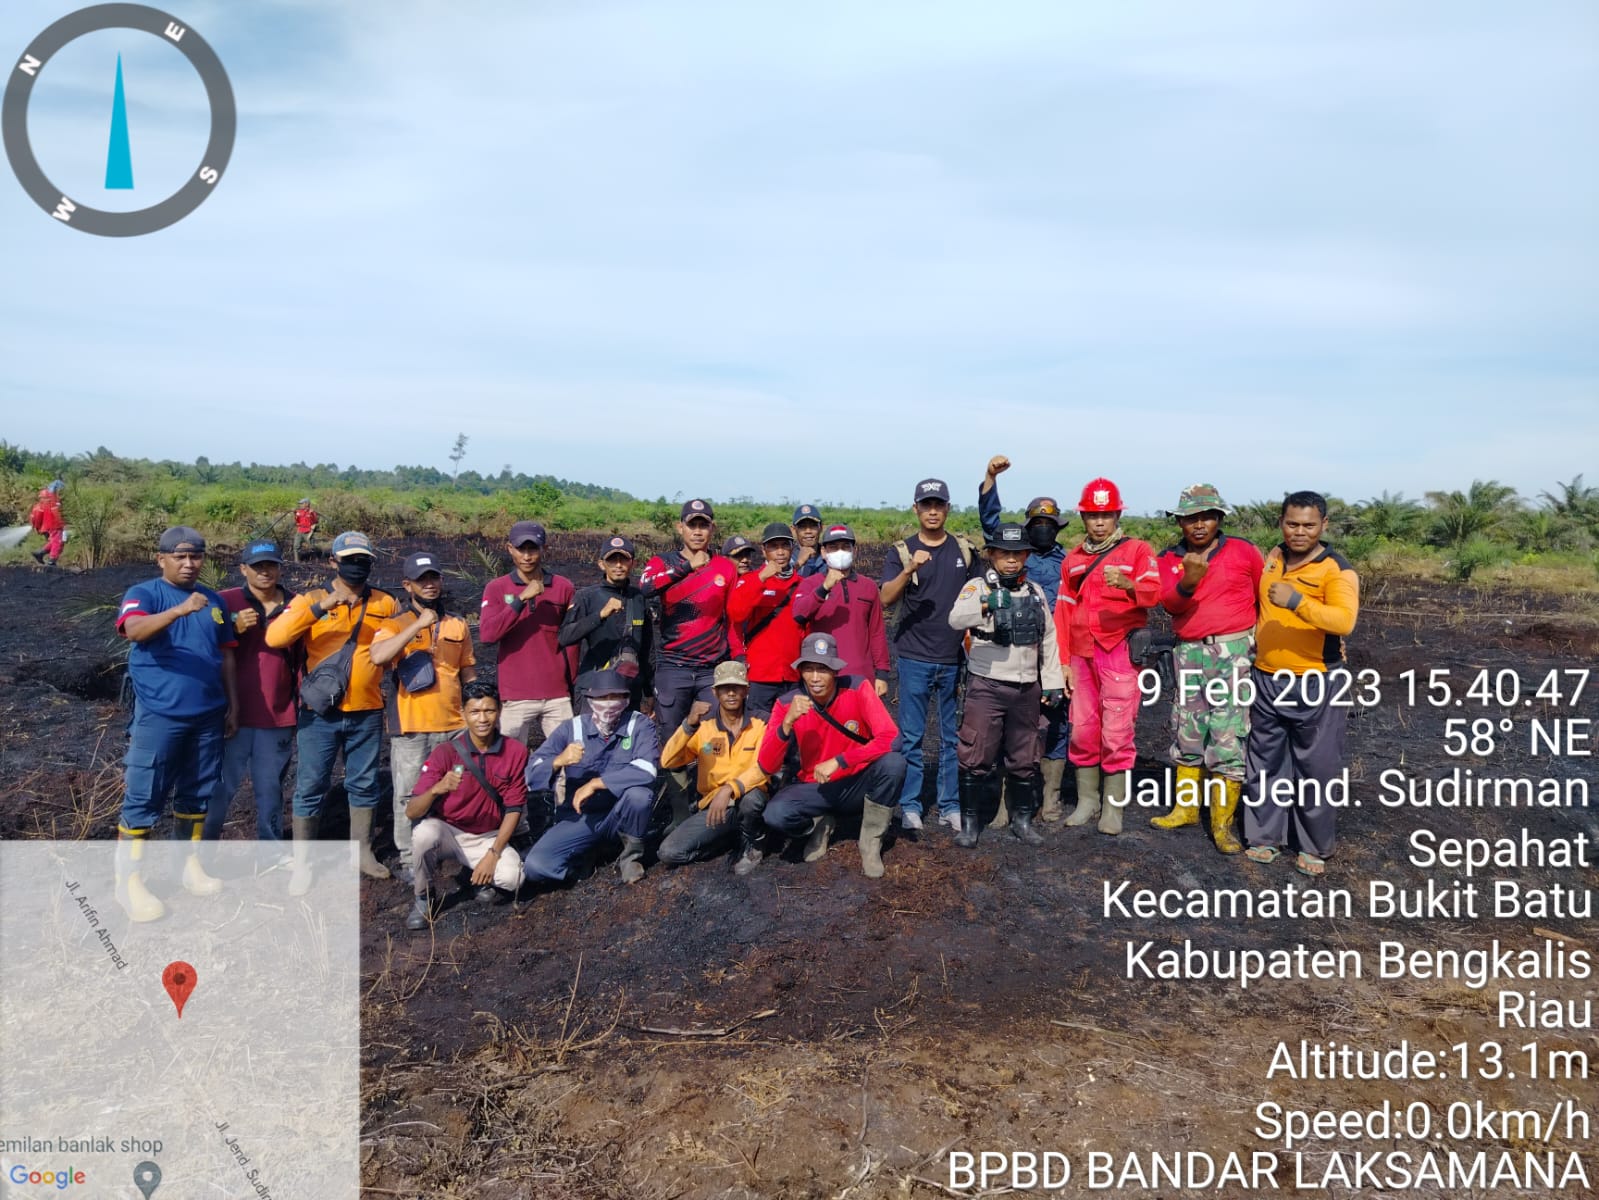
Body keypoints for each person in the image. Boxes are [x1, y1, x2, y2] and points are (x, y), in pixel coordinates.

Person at [113, 526, 236, 921]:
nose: (188, 564)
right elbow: (134, 630)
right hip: (159, 715)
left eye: (195, 556)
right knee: (144, 794)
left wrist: (233, 705)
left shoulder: (214, 601)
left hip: (207, 715)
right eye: (180, 556)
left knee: (197, 792)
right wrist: (179, 610)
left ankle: (187, 866)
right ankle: (128, 882)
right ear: (161, 558)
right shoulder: (144, 594)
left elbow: (227, 655)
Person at [266, 530, 400, 892]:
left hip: (367, 710)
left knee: (364, 783)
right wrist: (321, 608)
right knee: (310, 785)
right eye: (349, 559)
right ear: (333, 562)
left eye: (363, 560)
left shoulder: (386, 603)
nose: (357, 566)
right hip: (319, 713)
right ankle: (303, 865)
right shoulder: (310, 599)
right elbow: (275, 638)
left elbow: (391, 650)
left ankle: (362, 853)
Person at [1244, 492, 1360, 878]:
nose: (1299, 532)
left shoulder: (1336, 570)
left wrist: (1298, 601)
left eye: (1309, 525)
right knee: (1265, 761)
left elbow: (1344, 622)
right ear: (1281, 522)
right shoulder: (1273, 558)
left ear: (1323, 525)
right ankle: (1263, 836)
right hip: (1266, 677)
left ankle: (1312, 845)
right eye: (1292, 523)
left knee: (1317, 766)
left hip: (1318, 680)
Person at [1151, 485, 1263, 855]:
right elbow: (1169, 605)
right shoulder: (1170, 557)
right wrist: (1189, 580)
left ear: (1219, 519)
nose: (1199, 525)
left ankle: (1222, 825)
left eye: (1207, 517)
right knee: (1187, 729)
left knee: (1228, 733)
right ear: (1180, 521)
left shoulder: (1243, 551)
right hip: (1188, 652)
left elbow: (1265, 597)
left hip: (1232, 650)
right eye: (1190, 518)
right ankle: (1184, 809)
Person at [947, 523, 1066, 848]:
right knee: (975, 753)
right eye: (1004, 554)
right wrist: (986, 605)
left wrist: (1053, 682)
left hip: (1027, 688)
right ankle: (970, 826)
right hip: (987, 685)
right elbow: (955, 619)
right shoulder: (977, 586)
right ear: (992, 556)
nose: (1011, 561)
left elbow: (1050, 639)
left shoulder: (1036, 592)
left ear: (1025, 555)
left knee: (1024, 755)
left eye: (1017, 555)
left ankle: (1022, 821)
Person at [1053, 478, 1161, 835]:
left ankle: (1112, 808)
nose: (1099, 522)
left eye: (1106, 515)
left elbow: (1155, 593)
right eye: (1093, 515)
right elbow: (1064, 611)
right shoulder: (1073, 559)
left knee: (1116, 731)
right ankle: (1088, 800)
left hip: (1118, 652)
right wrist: (1064, 661)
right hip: (1082, 654)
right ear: (1083, 517)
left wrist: (1130, 585)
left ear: (1117, 515)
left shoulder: (1138, 551)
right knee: (1082, 729)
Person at [757, 633, 906, 878]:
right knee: (776, 814)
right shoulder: (786, 703)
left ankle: (870, 842)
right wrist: (786, 724)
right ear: (801, 671)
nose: (815, 678)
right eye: (809, 669)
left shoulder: (857, 688)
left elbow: (891, 738)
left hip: (857, 782)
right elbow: (766, 765)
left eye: (823, 670)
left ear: (835, 671)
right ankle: (819, 823)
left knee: (894, 763)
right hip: (817, 787)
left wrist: (840, 761)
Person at [879, 478, 979, 832]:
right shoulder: (901, 552)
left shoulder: (965, 552)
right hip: (913, 657)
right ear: (916, 508)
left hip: (954, 659)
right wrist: (909, 571)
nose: (933, 511)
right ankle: (910, 806)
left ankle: (949, 804)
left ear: (948, 508)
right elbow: (885, 599)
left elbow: (980, 595)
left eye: (939, 504)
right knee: (912, 737)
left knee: (952, 737)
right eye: (927, 504)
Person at [370, 551, 477, 883]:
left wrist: (476, 711)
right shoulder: (394, 624)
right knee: (409, 793)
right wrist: (417, 624)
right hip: (413, 725)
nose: (429, 584)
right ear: (407, 585)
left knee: (462, 787)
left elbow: (467, 671)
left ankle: (459, 849)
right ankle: (407, 857)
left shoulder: (457, 623)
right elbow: (378, 656)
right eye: (421, 580)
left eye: (434, 578)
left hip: (455, 725)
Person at [978, 454, 1071, 822]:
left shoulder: (1069, 562)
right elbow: (990, 524)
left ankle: (1049, 798)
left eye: (1050, 523)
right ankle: (1005, 801)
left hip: (1051, 654)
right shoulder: (1016, 556)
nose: (1044, 528)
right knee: (1008, 726)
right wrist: (989, 479)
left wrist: (1065, 663)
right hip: (1010, 654)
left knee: (1057, 723)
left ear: (1058, 527)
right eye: (1038, 523)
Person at [404, 680, 527, 930]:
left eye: (489, 711)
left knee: (514, 878)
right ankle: (423, 897)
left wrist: (493, 854)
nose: (482, 719)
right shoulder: (445, 753)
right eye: (475, 712)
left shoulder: (515, 751)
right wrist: (437, 789)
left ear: (499, 711)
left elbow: (514, 808)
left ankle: (473, 876)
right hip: (449, 831)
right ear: (463, 714)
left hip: (488, 835)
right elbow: (412, 811)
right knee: (423, 834)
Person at [523, 670, 661, 885]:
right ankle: (587, 852)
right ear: (590, 700)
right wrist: (559, 760)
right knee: (536, 866)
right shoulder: (572, 728)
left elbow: (647, 769)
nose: (609, 704)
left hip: (620, 814)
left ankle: (631, 856)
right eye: (602, 698)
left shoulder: (639, 724)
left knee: (639, 796)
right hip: (581, 817)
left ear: (626, 699)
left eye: (615, 697)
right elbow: (532, 772)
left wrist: (597, 783)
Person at [205, 539, 297, 844]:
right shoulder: (224, 601)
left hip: (279, 713)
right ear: (243, 569)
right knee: (221, 786)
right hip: (234, 713)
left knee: (270, 788)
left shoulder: (297, 605)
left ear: (281, 568)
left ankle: (270, 849)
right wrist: (232, 626)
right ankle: (204, 848)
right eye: (258, 566)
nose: (265, 572)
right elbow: (202, 642)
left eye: (271, 565)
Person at [657, 661, 771, 875]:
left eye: (736, 687)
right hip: (715, 806)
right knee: (669, 853)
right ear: (714, 692)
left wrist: (730, 788)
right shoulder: (704, 726)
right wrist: (688, 725)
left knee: (751, 801)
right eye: (724, 688)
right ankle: (729, 839)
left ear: (746, 690)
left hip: (749, 796)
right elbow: (668, 761)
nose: (730, 693)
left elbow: (763, 767)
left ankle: (755, 843)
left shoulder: (761, 722)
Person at [638, 499, 738, 730]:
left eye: (703, 526)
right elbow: (645, 587)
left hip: (711, 669)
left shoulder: (725, 567)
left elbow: (732, 618)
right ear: (680, 527)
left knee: (713, 738)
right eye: (692, 525)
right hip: (673, 667)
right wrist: (687, 567)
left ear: (712, 528)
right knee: (671, 736)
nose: (698, 532)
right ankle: (674, 769)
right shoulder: (662, 562)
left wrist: (737, 658)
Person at [479, 521, 578, 744]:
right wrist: (520, 599)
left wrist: (571, 684)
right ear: (509, 549)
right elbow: (487, 635)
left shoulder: (564, 587)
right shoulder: (497, 588)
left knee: (568, 759)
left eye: (532, 549)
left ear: (544, 549)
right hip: (515, 695)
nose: (526, 556)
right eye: (520, 549)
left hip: (557, 695)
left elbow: (572, 642)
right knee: (508, 763)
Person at [791, 523, 890, 696]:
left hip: (861, 677)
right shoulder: (810, 584)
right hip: (822, 678)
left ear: (855, 551)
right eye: (834, 547)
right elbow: (799, 614)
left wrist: (881, 673)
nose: (840, 552)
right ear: (823, 552)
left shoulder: (868, 586)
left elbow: (877, 632)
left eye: (845, 547)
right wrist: (824, 588)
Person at [559, 535, 653, 713]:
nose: (618, 565)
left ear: (633, 563)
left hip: (629, 688)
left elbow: (648, 650)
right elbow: (565, 637)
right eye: (612, 560)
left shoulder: (638, 598)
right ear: (602, 564)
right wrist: (601, 615)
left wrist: (648, 691)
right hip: (595, 687)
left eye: (623, 560)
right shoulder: (586, 597)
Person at [726, 522, 805, 719]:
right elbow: (736, 613)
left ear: (792, 548)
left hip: (793, 675)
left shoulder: (802, 585)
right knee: (758, 736)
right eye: (773, 546)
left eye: (784, 546)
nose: (780, 552)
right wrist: (761, 577)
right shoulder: (750, 580)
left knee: (791, 736)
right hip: (760, 676)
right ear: (764, 550)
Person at [722, 535, 761, 658]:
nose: (744, 560)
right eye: (738, 556)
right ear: (725, 559)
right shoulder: (718, 585)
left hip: (750, 647)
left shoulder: (758, 580)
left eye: (747, 555)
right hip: (721, 649)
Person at [28, 479, 64, 566]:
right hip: (55, 526)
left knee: (55, 541)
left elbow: (36, 517)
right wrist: (62, 524)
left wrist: (37, 527)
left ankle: (40, 553)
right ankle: (52, 561)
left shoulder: (40, 504)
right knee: (57, 542)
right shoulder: (53, 501)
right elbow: (56, 514)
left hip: (47, 527)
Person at [791, 503, 827, 577]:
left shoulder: (828, 556)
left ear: (821, 528)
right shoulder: (787, 557)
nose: (808, 531)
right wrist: (798, 564)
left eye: (813, 526)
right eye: (802, 527)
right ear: (794, 529)